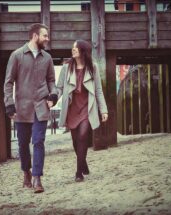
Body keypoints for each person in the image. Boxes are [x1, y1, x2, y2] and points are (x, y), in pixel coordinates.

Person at [3, 23, 58, 193]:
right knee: (23, 144)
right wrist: (9, 104)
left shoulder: (47, 58)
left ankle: (37, 178)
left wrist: (53, 95)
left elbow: (51, 80)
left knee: (39, 141)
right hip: (22, 108)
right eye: (45, 36)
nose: (47, 39)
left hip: (41, 106)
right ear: (35, 36)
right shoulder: (17, 55)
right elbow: (8, 82)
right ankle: (26, 172)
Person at [57, 40, 108, 182]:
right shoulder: (66, 68)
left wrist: (103, 110)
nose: (73, 50)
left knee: (83, 137)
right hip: (72, 108)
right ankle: (83, 162)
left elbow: (98, 90)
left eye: (76, 48)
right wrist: (53, 98)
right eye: (72, 47)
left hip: (87, 107)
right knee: (75, 141)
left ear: (83, 51)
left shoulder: (93, 68)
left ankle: (78, 172)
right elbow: (60, 87)